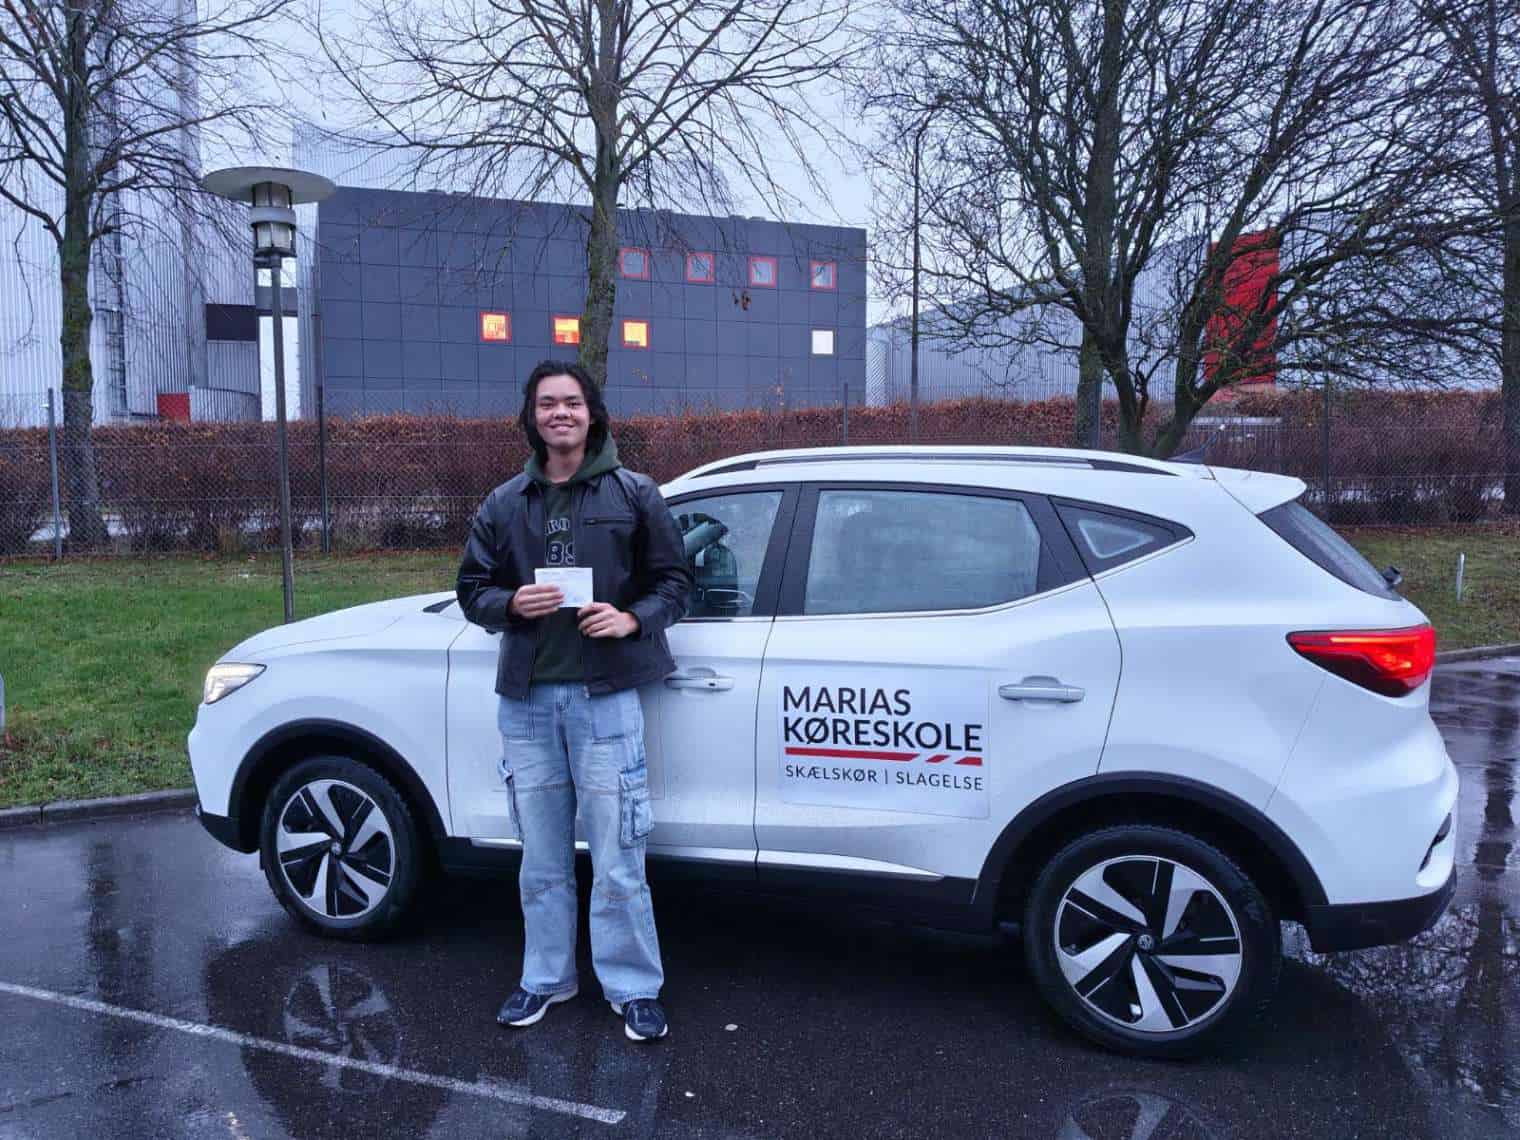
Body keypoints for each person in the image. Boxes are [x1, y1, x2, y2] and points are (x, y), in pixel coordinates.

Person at [456, 359, 692, 1042]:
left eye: (571, 403)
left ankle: (633, 986)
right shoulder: (505, 502)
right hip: (528, 703)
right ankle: (546, 979)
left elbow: (676, 582)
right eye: (547, 404)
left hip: (604, 697)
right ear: (530, 417)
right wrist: (510, 603)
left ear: (592, 414)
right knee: (541, 857)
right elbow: (471, 589)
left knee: (619, 855)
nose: (559, 413)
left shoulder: (635, 493)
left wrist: (631, 618)